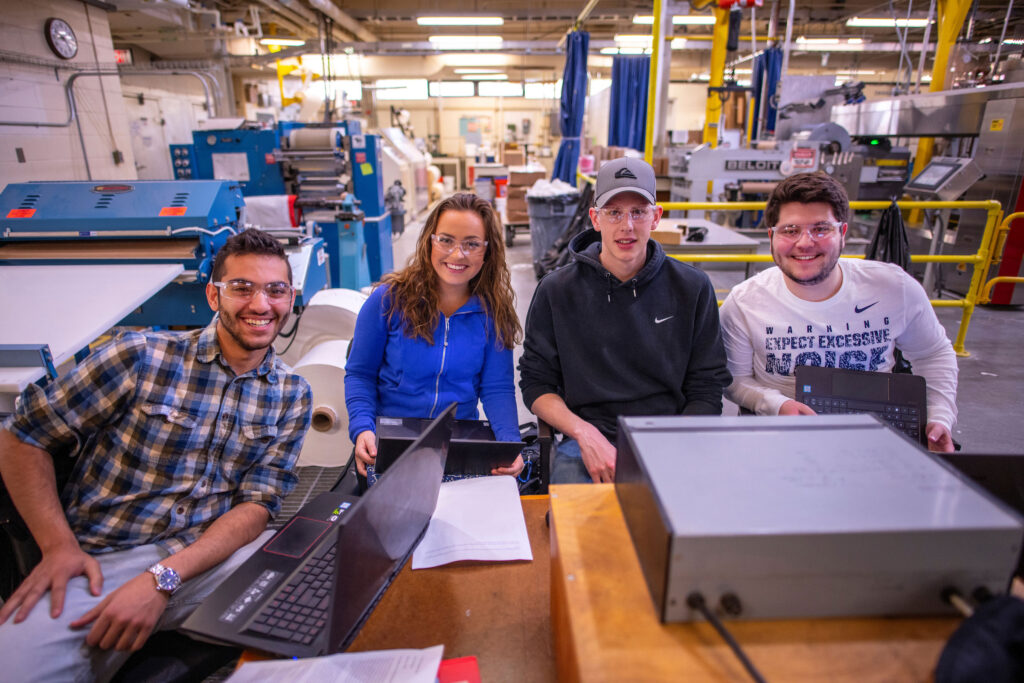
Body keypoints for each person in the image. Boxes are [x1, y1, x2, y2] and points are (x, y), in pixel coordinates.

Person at [0, 228, 313, 681]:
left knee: (320, 610)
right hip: (103, 561)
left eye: (275, 290)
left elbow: (257, 506)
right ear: (213, 295)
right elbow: (24, 435)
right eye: (242, 288)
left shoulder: (291, 395)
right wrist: (57, 548)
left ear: (290, 298)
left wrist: (162, 580)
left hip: (209, 558)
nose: (261, 305)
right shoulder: (140, 358)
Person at [518, 157, 731, 484]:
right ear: (595, 219)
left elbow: (707, 384)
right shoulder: (557, 291)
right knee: (577, 528)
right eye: (614, 212)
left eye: (638, 211)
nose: (626, 225)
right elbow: (536, 383)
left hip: (670, 436)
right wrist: (585, 435)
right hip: (587, 439)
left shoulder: (692, 288)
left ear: (656, 217)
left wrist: (675, 445)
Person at [719, 171, 958, 452]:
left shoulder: (894, 288)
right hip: (780, 436)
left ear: (842, 233)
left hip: (874, 433)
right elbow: (733, 379)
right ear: (771, 236)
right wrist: (778, 405)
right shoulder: (746, 302)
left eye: (821, 229)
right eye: (790, 230)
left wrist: (940, 416)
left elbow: (933, 354)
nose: (805, 242)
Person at [345, 193, 524, 484]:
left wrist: (509, 443)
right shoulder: (388, 301)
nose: (457, 254)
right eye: (446, 240)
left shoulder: (493, 313)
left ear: (487, 251)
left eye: (472, 244)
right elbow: (360, 374)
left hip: (458, 441)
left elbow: (496, 389)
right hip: (392, 443)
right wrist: (362, 428)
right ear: (430, 240)